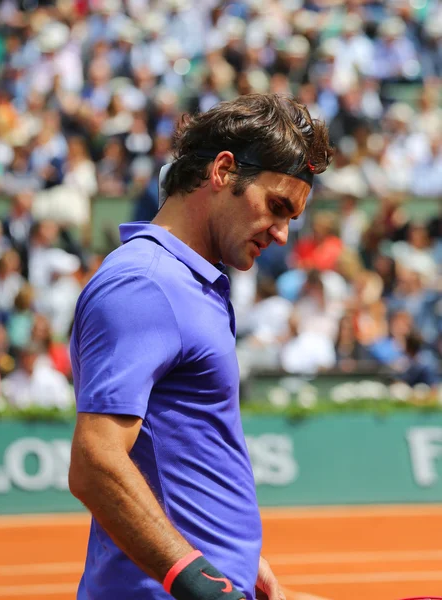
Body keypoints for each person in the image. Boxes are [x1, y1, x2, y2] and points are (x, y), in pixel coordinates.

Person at [68, 93, 333, 600]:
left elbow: (180, 454)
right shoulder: (146, 284)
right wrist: (201, 581)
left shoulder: (188, 283)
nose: (281, 234)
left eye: (291, 218)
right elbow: (96, 463)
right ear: (223, 171)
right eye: (277, 207)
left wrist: (239, 556)